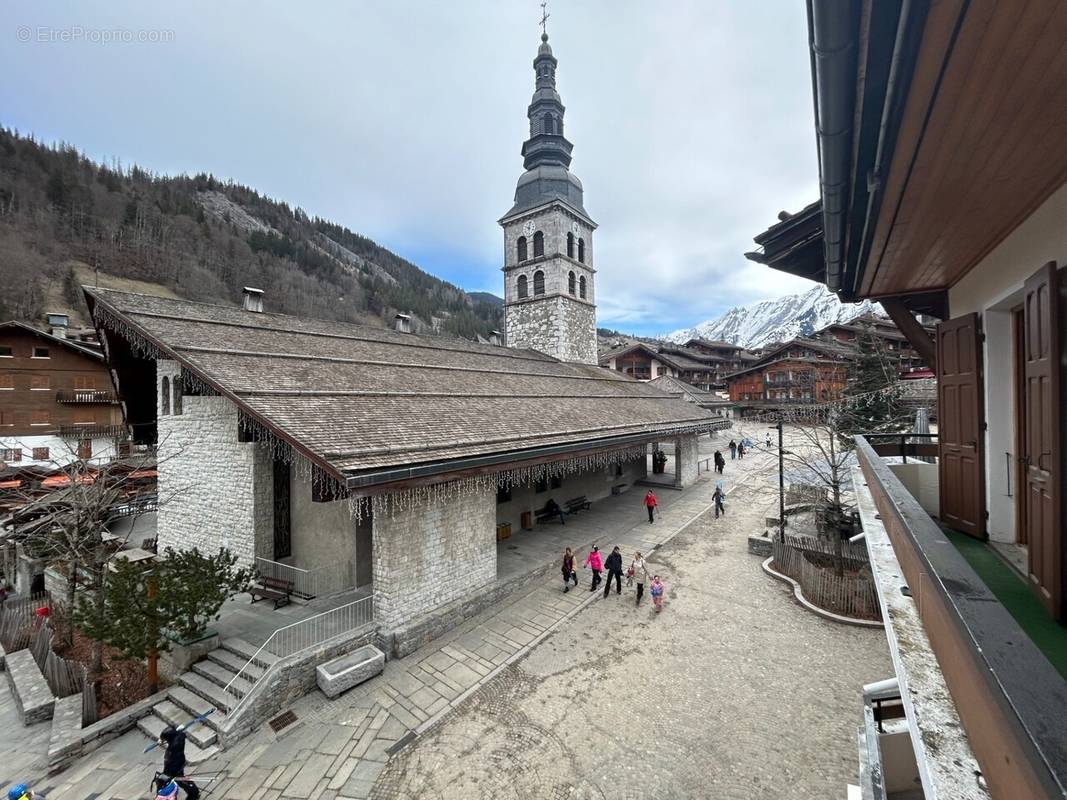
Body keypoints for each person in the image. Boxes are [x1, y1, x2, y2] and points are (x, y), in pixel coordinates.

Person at [156, 726, 200, 800]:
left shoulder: (174, 746)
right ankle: (194, 792)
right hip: (179, 761)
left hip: (175, 765)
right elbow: (181, 734)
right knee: (180, 779)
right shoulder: (179, 736)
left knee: (178, 779)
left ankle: (194, 794)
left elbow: (169, 754)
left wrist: (162, 742)